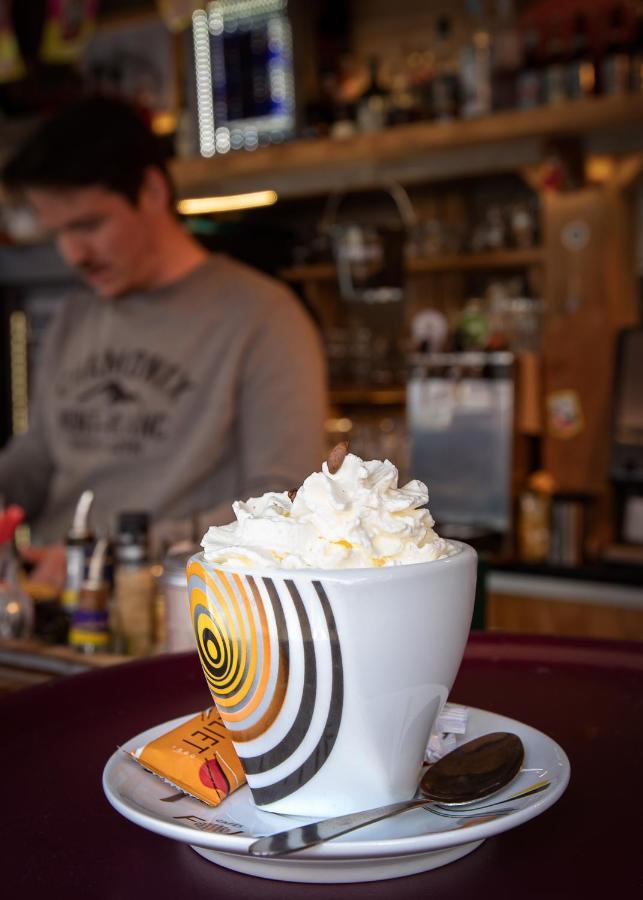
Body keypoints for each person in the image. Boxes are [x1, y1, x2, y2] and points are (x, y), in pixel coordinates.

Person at [0, 95, 326, 585]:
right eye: (57, 233)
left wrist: (109, 556)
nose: (73, 254)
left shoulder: (264, 316)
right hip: (50, 602)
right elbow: (39, 458)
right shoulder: (76, 314)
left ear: (151, 190)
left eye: (89, 225)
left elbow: (285, 505)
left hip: (177, 605)